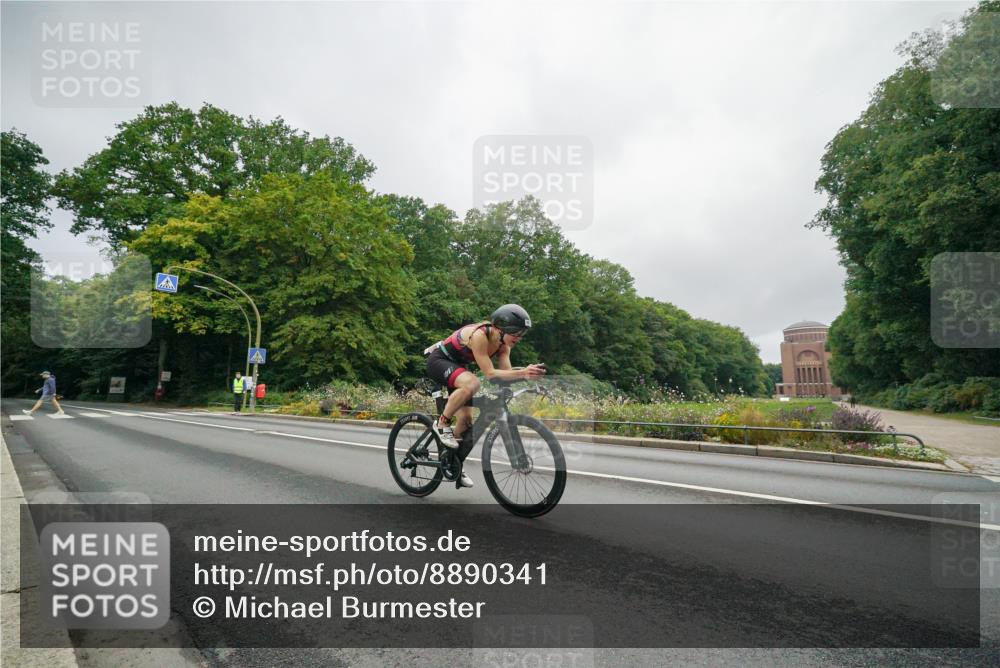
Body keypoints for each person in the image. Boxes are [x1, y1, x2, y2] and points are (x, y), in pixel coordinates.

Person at [424, 304, 546, 488]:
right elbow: (490, 374)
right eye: (516, 332)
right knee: (473, 383)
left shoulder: (503, 346)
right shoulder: (481, 335)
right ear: (501, 328)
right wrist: (522, 373)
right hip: (439, 361)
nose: (519, 337)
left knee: (465, 420)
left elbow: (504, 375)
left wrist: (531, 379)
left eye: (522, 333)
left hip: (458, 367)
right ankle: (441, 423)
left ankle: (451, 461)